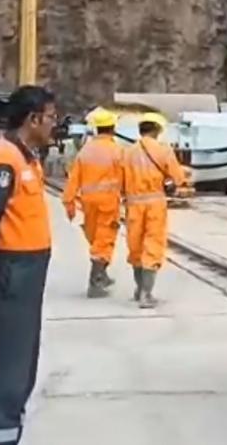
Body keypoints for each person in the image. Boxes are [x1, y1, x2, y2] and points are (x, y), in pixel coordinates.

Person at [0, 85, 57, 445]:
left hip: (25, 275)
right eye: (49, 118)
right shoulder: (5, 160)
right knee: (5, 366)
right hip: (8, 274)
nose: (53, 125)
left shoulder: (26, 157)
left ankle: (7, 434)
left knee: (20, 365)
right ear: (32, 119)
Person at [122, 112, 188, 309]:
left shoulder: (127, 152)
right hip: (154, 205)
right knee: (152, 246)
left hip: (133, 205)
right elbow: (177, 178)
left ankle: (139, 288)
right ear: (157, 130)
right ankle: (146, 294)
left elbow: (120, 181)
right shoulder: (163, 150)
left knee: (135, 246)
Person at [63, 107, 125, 298]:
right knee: (104, 240)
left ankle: (102, 275)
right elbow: (126, 178)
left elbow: (73, 180)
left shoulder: (85, 152)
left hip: (88, 204)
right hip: (108, 203)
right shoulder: (117, 151)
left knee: (94, 238)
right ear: (112, 128)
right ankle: (95, 282)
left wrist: (69, 203)